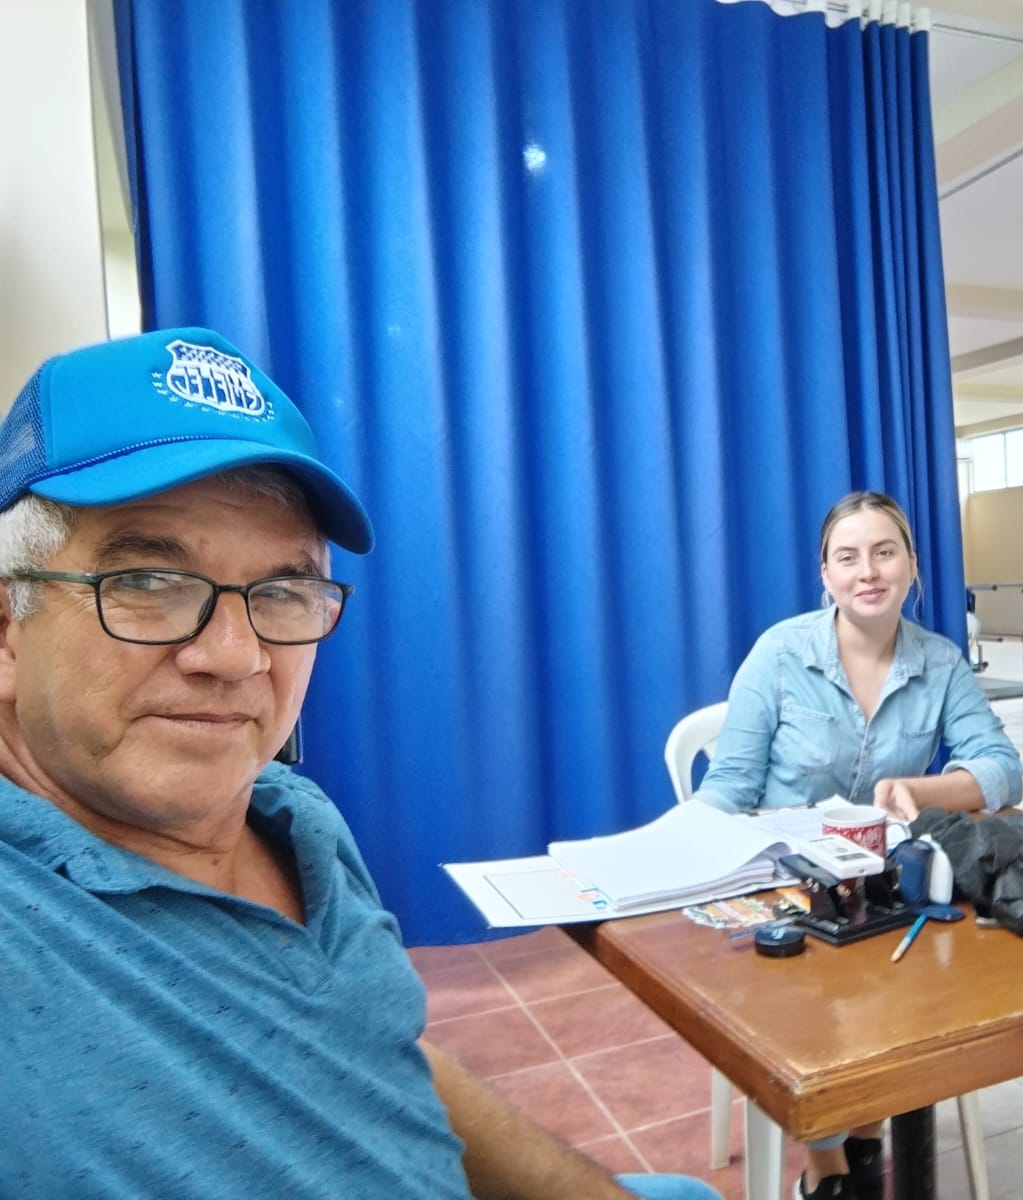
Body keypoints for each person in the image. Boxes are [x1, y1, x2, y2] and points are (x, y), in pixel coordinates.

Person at [0, 328, 719, 1200]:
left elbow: (383, 1054)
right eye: (148, 581)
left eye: (281, 592)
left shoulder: (295, 819)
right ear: (7, 628)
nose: (236, 656)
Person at [694, 489, 1023, 1200]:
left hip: (882, 890)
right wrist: (673, 848)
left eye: (883, 552)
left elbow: (1002, 769)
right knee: (812, 988)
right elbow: (729, 785)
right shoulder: (780, 653)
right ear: (825, 574)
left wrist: (920, 789)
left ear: (911, 565)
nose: (867, 571)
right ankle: (832, 1167)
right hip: (786, 886)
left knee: (909, 973)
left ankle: (861, 1149)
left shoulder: (939, 661)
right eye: (847, 557)